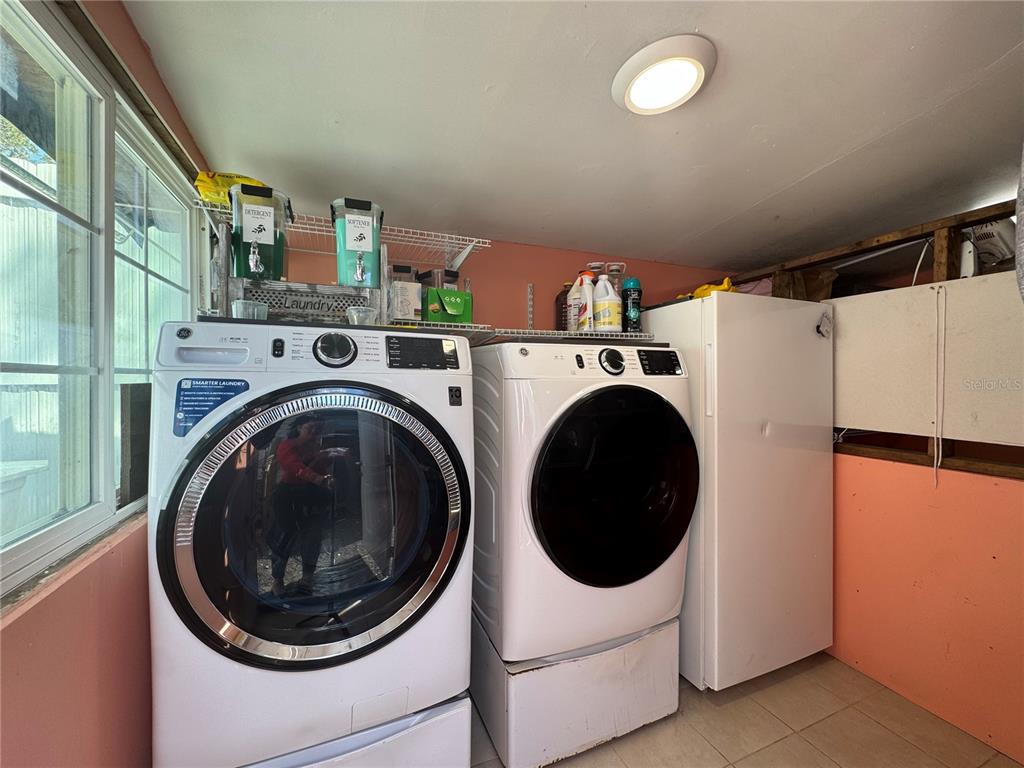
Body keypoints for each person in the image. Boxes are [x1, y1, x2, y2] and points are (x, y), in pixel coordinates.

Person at [267, 414, 336, 596]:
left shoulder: (316, 447)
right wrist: (317, 478)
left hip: (311, 496)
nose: (314, 432)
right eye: (310, 428)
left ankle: (307, 578)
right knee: (284, 538)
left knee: (312, 536)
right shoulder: (287, 445)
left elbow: (322, 467)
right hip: (289, 496)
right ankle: (277, 579)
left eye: (318, 429)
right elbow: (292, 465)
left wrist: (330, 456)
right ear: (299, 428)